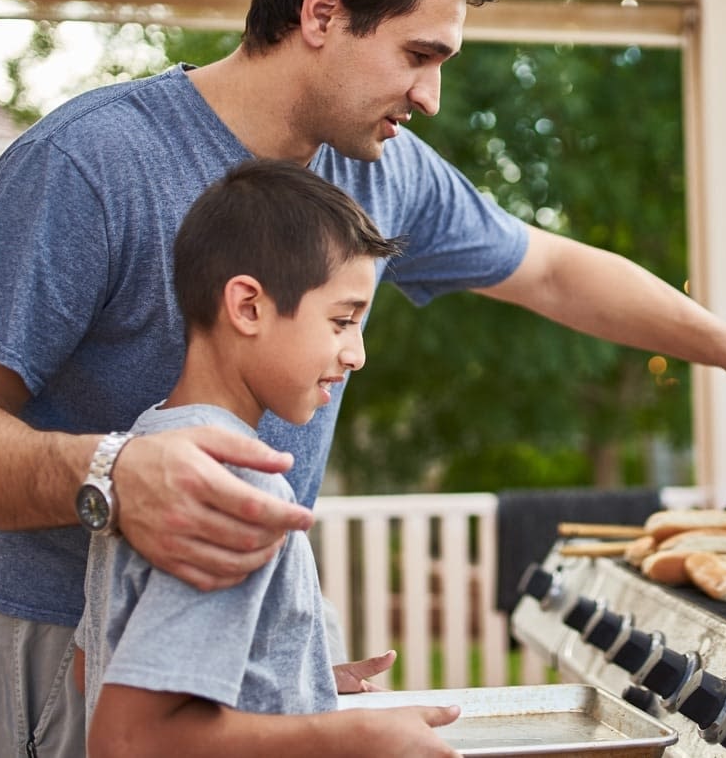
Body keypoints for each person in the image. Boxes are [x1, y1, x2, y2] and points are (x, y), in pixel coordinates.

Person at [0, 0, 726, 758]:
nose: (430, 95)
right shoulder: (91, 164)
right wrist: (112, 475)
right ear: (323, 13)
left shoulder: (378, 172)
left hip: (233, 662)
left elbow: (556, 273)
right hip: (67, 648)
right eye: (418, 55)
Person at [79, 159, 457, 756]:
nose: (356, 354)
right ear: (248, 307)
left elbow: (95, 665)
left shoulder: (153, 445)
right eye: (342, 321)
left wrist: (294, 683)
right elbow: (129, 738)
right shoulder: (233, 481)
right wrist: (349, 736)